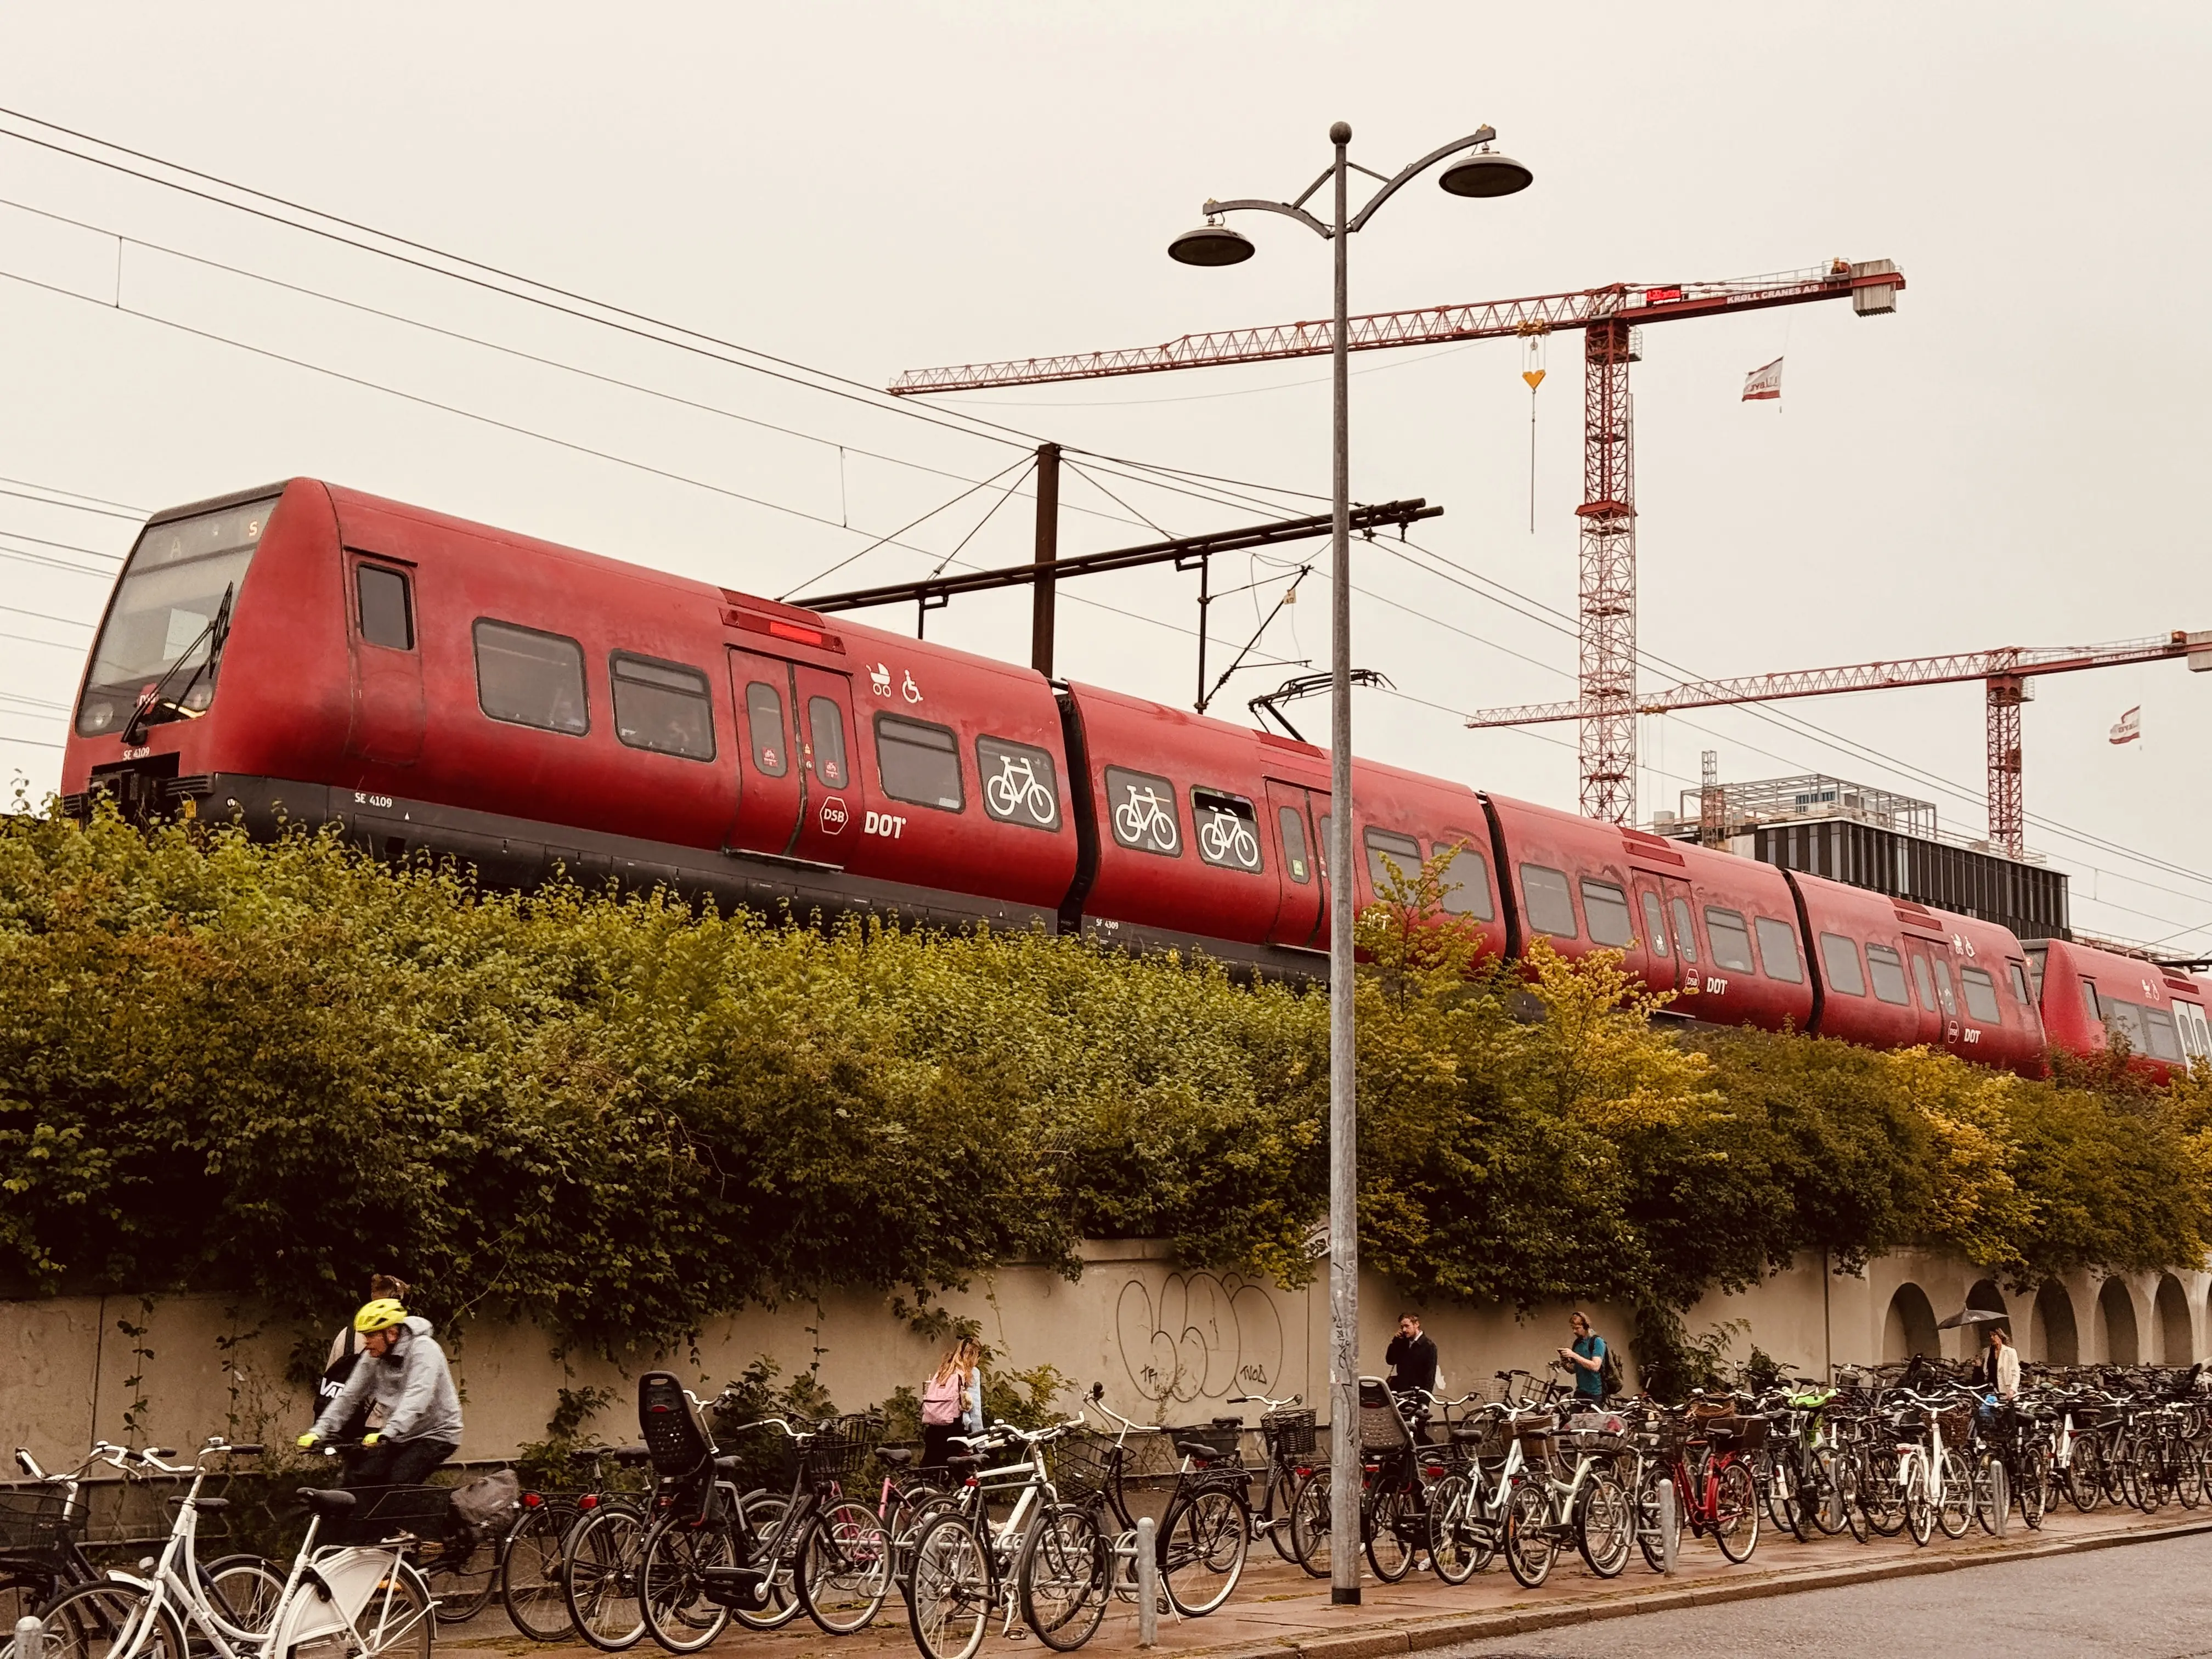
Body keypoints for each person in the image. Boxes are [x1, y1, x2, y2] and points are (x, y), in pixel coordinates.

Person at [300, 1298, 464, 1487]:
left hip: (436, 1433)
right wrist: (319, 1431)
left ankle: (414, 1515)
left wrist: (389, 1432)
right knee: (358, 1479)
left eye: (370, 1336)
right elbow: (349, 1395)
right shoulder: (374, 1356)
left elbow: (418, 1396)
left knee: (394, 1484)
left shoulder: (424, 1350)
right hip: (398, 1433)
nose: (365, 1342)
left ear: (392, 1334)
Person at [919, 1342, 967, 1470]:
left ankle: (921, 1486)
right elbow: (965, 1403)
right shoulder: (960, 1375)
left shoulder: (938, 1376)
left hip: (933, 1425)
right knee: (954, 1465)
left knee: (930, 1463)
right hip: (951, 1426)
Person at [1558, 1311, 1609, 1401]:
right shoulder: (1578, 1343)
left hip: (1596, 1393)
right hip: (1581, 1391)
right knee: (1572, 1415)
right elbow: (1573, 1370)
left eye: (1577, 1328)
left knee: (1592, 1415)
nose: (1574, 1331)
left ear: (1586, 1327)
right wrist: (1564, 1362)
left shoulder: (1597, 1341)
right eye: (1573, 1328)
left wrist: (1574, 1355)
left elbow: (1595, 1366)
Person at [1385, 1313, 1438, 1395]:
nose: (1404, 1330)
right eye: (1402, 1327)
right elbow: (1390, 1360)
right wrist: (1396, 1341)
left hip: (1416, 1393)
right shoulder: (1403, 1342)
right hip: (1400, 1392)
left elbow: (1430, 1376)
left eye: (1407, 1326)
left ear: (1416, 1324)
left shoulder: (1428, 1346)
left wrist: (1424, 1400)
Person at [1982, 1324, 2021, 1399]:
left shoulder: (2010, 1352)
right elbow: (1986, 1370)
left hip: (2006, 1389)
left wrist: (2012, 1390)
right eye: (1990, 1336)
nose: (1992, 1338)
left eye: (1994, 1335)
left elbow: (2016, 1372)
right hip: (1992, 1388)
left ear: (2000, 1336)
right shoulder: (1988, 1352)